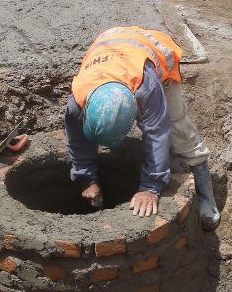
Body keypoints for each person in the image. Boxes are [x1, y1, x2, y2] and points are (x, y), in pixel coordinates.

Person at [64, 26, 220, 231]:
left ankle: (206, 199)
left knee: (179, 128)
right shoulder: (79, 97)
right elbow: (77, 138)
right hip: (112, 46)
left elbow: (157, 132)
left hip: (154, 54)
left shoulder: (146, 89)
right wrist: (87, 178)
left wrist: (150, 187)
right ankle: (169, 163)